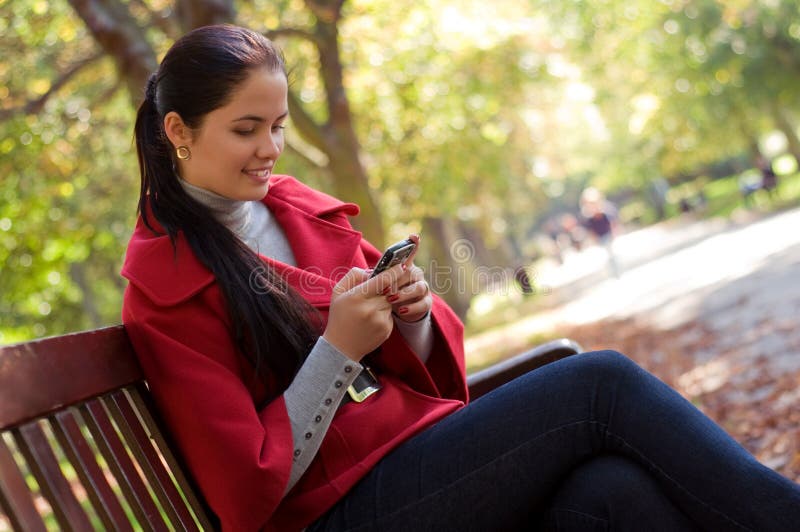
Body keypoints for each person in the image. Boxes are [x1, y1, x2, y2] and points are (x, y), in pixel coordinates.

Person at [122, 24, 800, 531]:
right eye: (246, 130)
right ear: (178, 130)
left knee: (614, 491)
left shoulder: (290, 208)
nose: (269, 149)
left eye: (276, 126)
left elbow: (412, 365)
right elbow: (244, 492)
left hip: (406, 459)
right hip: (336, 512)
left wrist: (409, 314)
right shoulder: (163, 290)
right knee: (600, 386)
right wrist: (337, 351)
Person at [579, 187, 621, 278]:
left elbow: (612, 223)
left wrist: (614, 233)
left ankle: (615, 268)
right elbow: (591, 230)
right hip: (600, 237)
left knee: (610, 252)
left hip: (608, 234)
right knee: (607, 253)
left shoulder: (605, 211)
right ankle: (612, 268)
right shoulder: (589, 216)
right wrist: (594, 239)